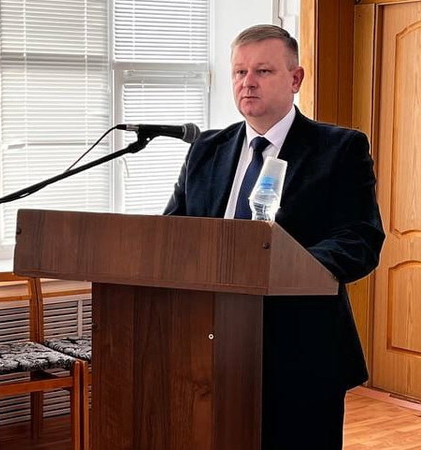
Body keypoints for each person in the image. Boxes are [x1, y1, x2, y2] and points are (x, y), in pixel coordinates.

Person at [164, 24, 385, 449]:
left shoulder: (340, 148)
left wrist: (281, 267)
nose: (247, 82)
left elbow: (360, 238)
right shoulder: (206, 148)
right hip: (210, 346)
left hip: (301, 347)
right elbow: (173, 232)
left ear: (295, 79)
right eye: (239, 72)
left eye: (262, 71)